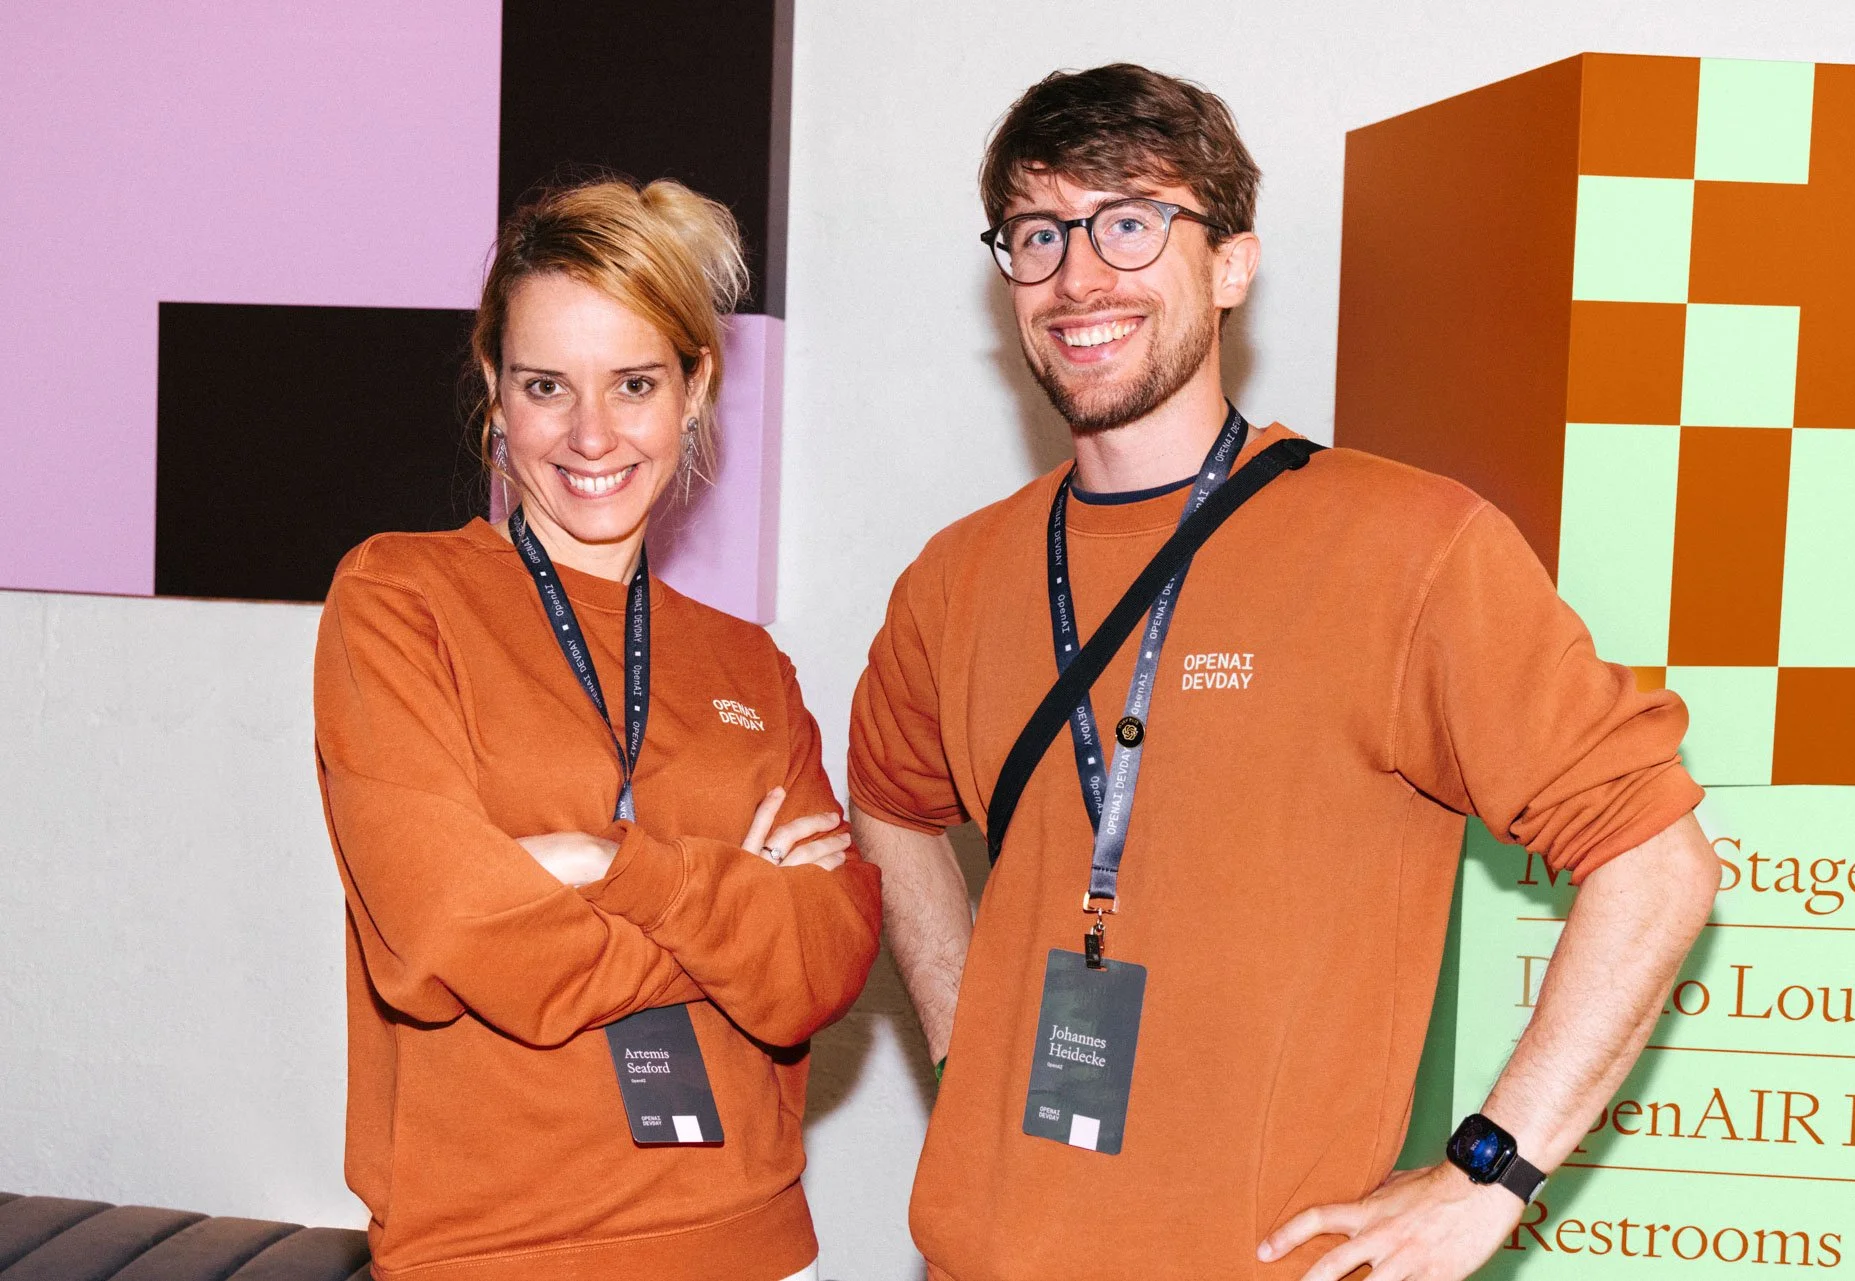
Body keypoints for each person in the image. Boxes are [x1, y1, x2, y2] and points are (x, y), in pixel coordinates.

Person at [848, 64, 1719, 1281]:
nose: (1078, 277)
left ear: (1232, 265)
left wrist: (1490, 1176)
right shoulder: (958, 576)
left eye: (1130, 223)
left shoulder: (1408, 548)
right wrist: (968, 1047)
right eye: (1039, 234)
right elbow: (890, 808)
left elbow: (1656, 860)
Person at [313, 176, 880, 1281]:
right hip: (497, 1253)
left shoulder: (749, 665)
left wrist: (599, 863)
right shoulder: (400, 597)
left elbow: (823, 962)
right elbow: (444, 936)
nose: (591, 434)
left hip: (753, 1246)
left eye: (634, 384)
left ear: (694, 388)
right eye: (546, 386)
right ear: (495, 390)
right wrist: (730, 904)